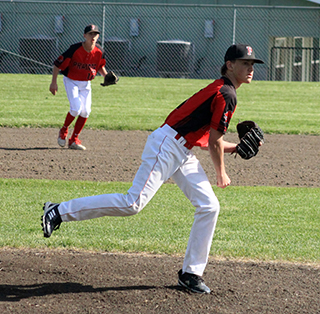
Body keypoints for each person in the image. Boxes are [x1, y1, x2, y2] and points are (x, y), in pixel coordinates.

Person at [42, 44, 264, 294]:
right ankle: (58, 211)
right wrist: (221, 173)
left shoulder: (222, 90)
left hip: (181, 149)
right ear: (230, 65)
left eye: (252, 64)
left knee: (209, 206)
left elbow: (205, 140)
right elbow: (212, 142)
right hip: (167, 146)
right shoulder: (226, 93)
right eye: (245, 63)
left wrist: (234, 149)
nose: (250, 68)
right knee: (132, 203)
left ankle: (191, 274)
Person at [50, 24, 108, 150]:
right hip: (71, 81)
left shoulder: (99, 51)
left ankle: (73, 140)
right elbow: (57, 65)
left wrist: (106, 76)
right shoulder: (75, 49)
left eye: (95, 34)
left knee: (86, 111)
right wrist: (53, 82)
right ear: (84, 35)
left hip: (86, 83)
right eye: (90, 33)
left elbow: (99, 66)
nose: (93, 36)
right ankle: (64, 130)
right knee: (76, 109)